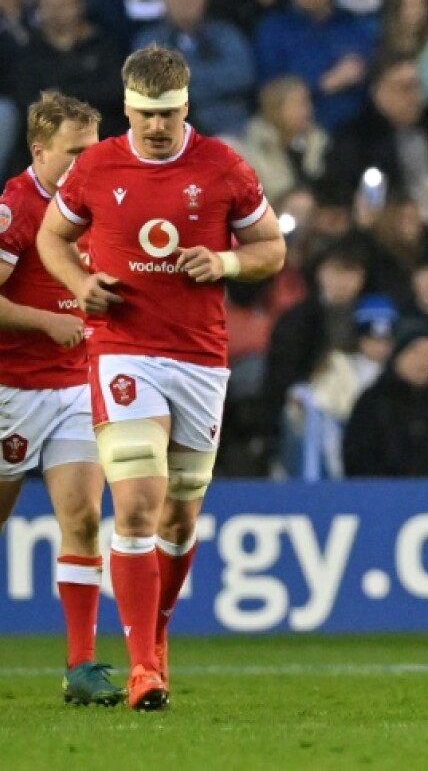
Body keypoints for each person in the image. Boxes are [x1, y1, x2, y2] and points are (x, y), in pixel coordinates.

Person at [36, 45, 287, 710]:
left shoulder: (224, 167)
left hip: (200, 358)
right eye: (146, 113)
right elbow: (52, 239)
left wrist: (228, 265)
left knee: (179, 518)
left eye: (169, 113)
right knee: (139, 503)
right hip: (123, 352)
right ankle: (144, 668)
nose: (157, 125)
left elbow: (272, 248)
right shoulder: (95, 167)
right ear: (127, 106)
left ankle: (156, 635)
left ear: (186, 105)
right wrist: (80, 283)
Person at [0, 91, 124, 706]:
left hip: (76, 384)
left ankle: (81, 667)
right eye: (73, 153)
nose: (84, 163)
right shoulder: (15, 207)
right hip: (11, 390)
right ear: (39, 150)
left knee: (80, 518)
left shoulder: (101, 204)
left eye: (92, 150)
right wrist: (45, 322)